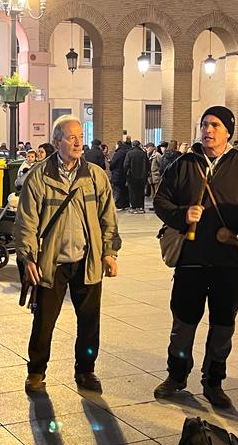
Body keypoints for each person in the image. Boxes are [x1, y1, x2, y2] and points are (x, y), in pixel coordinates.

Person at [152, 106, 238, 407]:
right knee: (183, 323)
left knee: (223, 324)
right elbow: (160, 200)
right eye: (204, 124)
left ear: (228, 131)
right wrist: (182, 215)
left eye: (215, 125)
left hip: (229, 263)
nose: (208, 130)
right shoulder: (184, 164)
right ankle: (177, 375)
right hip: (191, 259)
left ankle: (214, 381)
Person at [15, 115, 120, 395]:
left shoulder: (95, 175)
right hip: (52, 262)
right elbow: (26, 222)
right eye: (71, 137)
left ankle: (85, 370)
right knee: (44, 322)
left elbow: (108, 216)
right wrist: (29, 258)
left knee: (89, 322)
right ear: (56, 142)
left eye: (80, 137)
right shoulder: (39, 176)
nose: (77, 142)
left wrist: (109, 252)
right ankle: (36, 371)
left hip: (88, 260)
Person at [125, 138, 150, 212]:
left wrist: (126, 173)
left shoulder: (129, 153)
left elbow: (126, 165)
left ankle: (134, 207)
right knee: (141, 192)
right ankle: (141, 207)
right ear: (139, 145)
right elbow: (147, 165)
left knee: (132, 192)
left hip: (131, 176)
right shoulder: (143, 153)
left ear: (132, 145)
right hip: (142, 176)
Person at [109, 140, 130, 209]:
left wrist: (111, 166)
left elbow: (113, 163)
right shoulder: (128, 152)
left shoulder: (118, 153)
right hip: (126, 174)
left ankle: (118, 204)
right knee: (125, 189)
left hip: (117, 174)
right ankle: (125, 204)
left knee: (117, 189)